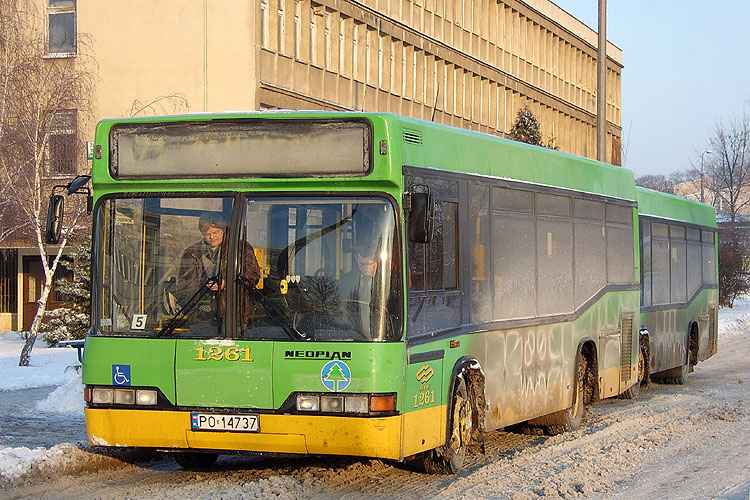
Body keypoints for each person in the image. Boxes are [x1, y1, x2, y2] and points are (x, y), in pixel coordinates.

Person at [176, 212, 260, 324]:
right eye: (207, 234)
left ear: (223, 231)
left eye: (216, 232)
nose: (212, 237)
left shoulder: (241, 249)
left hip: (232, 315)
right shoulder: (191, 253)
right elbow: (183, 284)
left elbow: (252, 275)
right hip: (198, 316)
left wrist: (226, 284)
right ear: (201, 232)